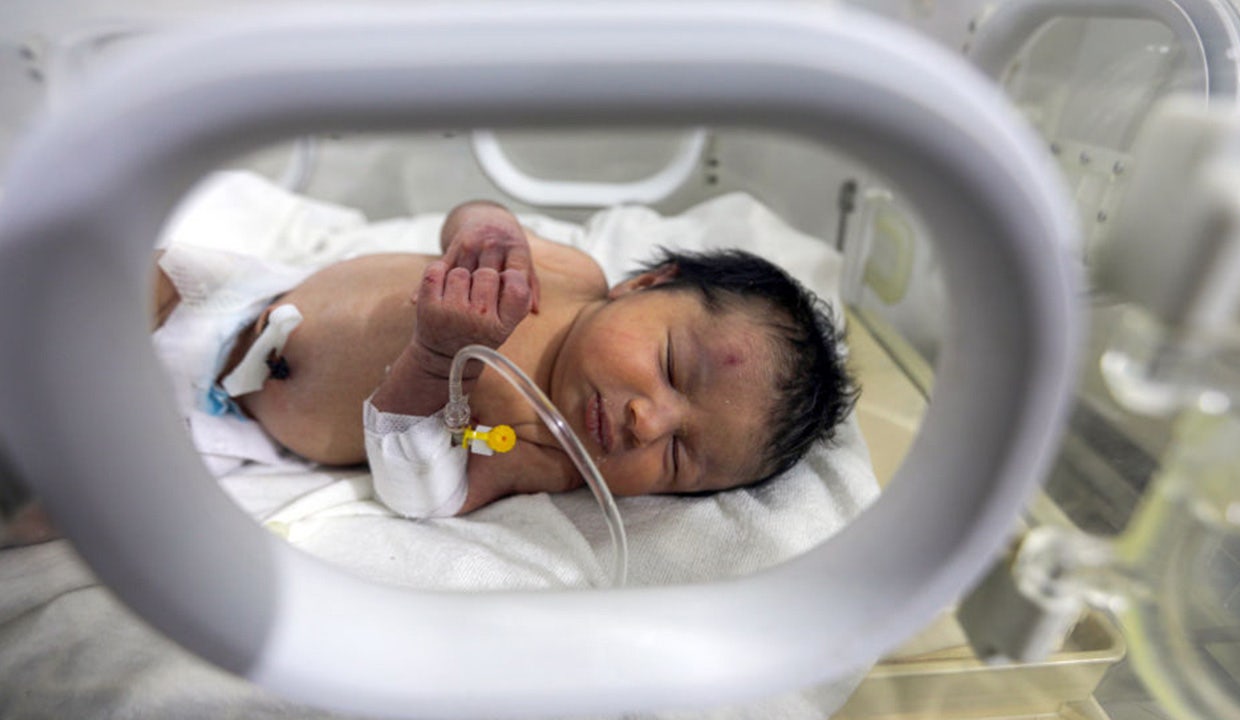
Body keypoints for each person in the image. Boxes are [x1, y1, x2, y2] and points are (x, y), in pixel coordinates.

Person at [153, 200, 857, 517]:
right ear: (646, 283)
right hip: (244, 295)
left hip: (232, 417)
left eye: (677, 456)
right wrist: (485, 226)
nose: (648, 422)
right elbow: (465, 218)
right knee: (123, 276)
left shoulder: (546, 450)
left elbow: (423, 493)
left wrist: (437, 357)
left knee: (104, 466)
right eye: (672, 368)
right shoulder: (568, 272)